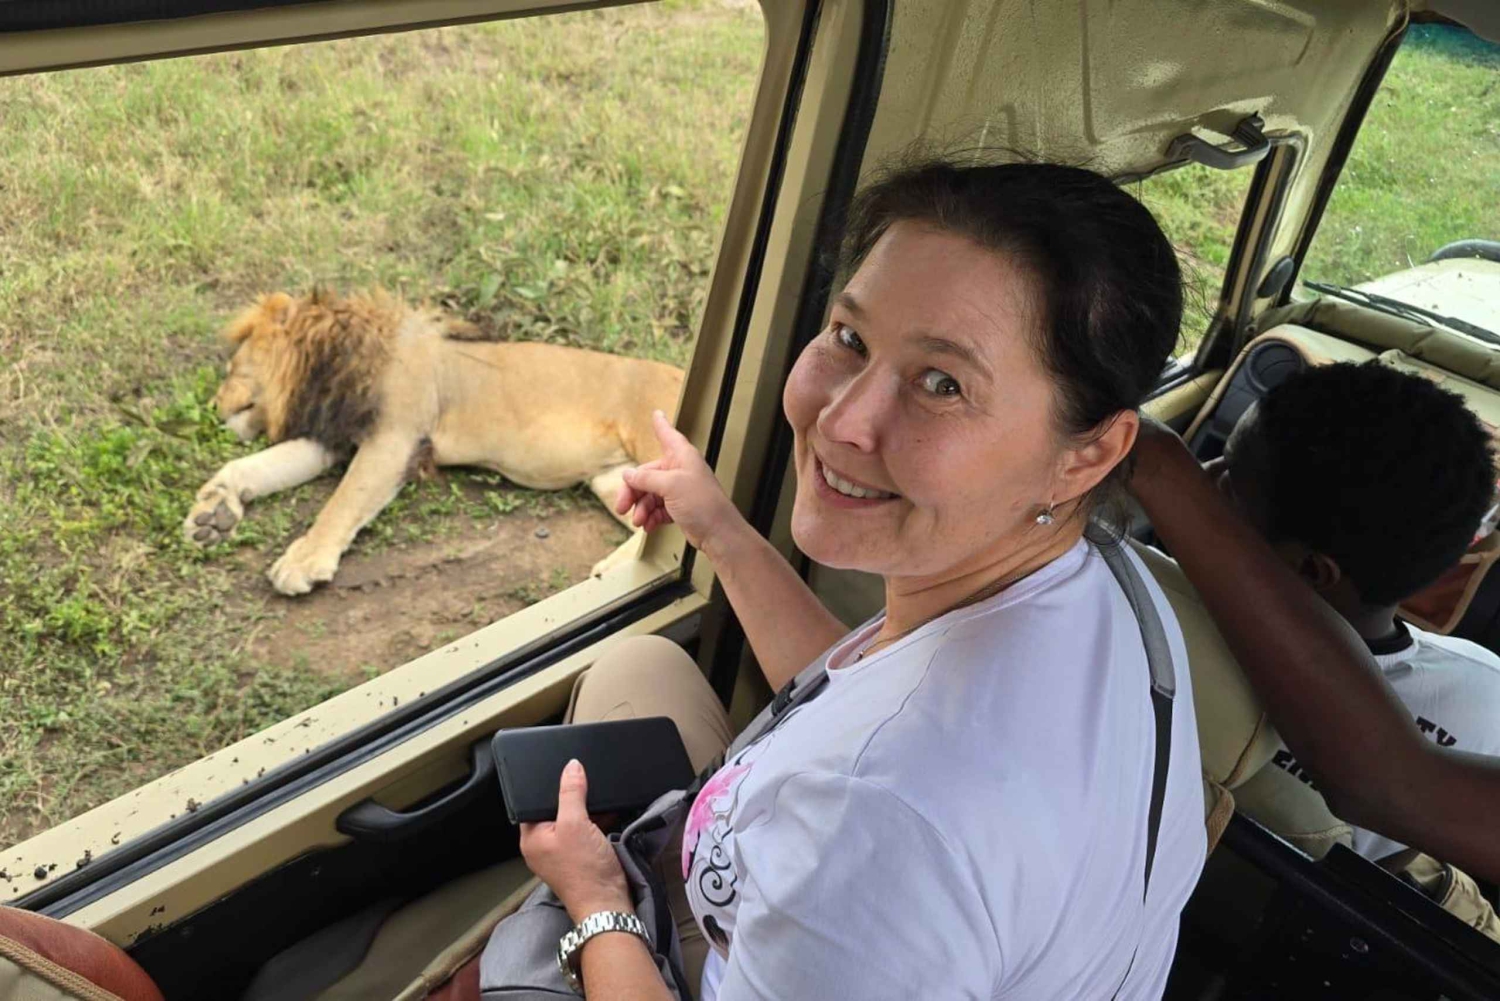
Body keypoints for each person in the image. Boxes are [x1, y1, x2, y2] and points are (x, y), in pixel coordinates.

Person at [518, 161, 1207, 1000]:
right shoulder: (1114, 584)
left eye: (942, 384)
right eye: (850, 338)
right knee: (639, 667)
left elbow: (882, 782)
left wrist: (597, 901)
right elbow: (866, 697)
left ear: (1089, 452)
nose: (841, 421)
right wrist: (720, 529)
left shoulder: (880, 827)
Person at [1129, 396, 1500, 888]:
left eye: (1226, 479)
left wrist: (1159, 468)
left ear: (1311, 568)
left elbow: (1387, 783)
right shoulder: (1484, 697)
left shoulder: (1145, 607)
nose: (1207, 469)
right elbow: (1391, 863)